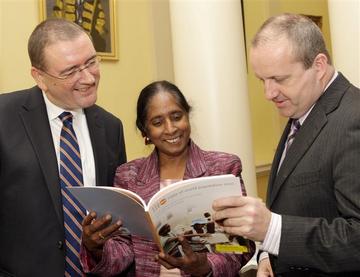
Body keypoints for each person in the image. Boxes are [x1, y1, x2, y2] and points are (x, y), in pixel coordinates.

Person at [212, 13, 360, 276]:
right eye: (262, 80)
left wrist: (271, 230)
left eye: (280, 79)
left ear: (319, 66)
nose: (268, 93)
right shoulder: (303, 108)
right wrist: (269, 253)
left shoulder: (353, 119)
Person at [80, 80, 255, 276]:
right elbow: (124, 252)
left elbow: (240, 247)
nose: (170, 128)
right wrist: (96, 248)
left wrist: (205, 267)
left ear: (187, 116)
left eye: (177, 116)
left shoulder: (224, 167)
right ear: (145, 130)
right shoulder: (128, 175)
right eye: (157, 122)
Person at [0, 18, 126, 276]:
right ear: (40, 78)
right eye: (71, 71)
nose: (89, 78)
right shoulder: (4, 118)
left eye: (91, 62)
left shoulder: (111, 128)